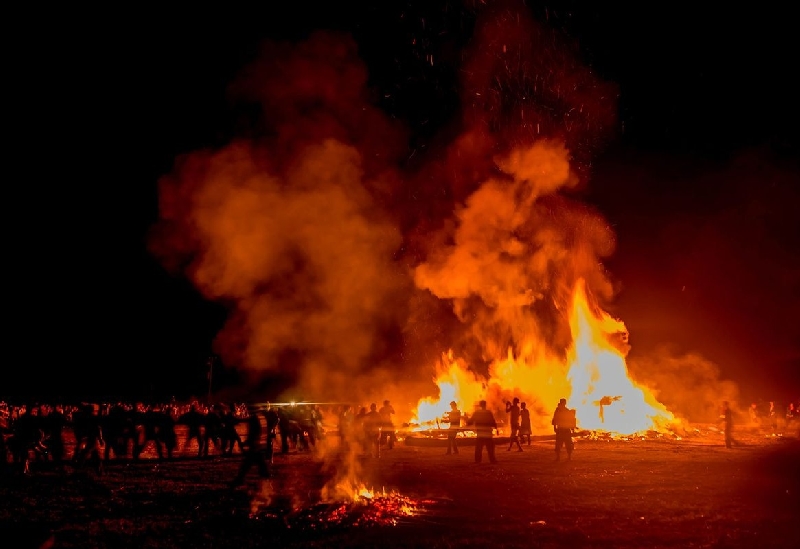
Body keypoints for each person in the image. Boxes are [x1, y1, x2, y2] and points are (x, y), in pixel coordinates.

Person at [230, 407, 272, 488]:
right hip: (262, 445)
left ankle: (239, 480)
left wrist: (247, 442)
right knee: (259, 465)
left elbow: (253, 433)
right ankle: (266, 481)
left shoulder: (254, 419)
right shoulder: (262, 417)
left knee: (247, 465)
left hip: (255, 446)